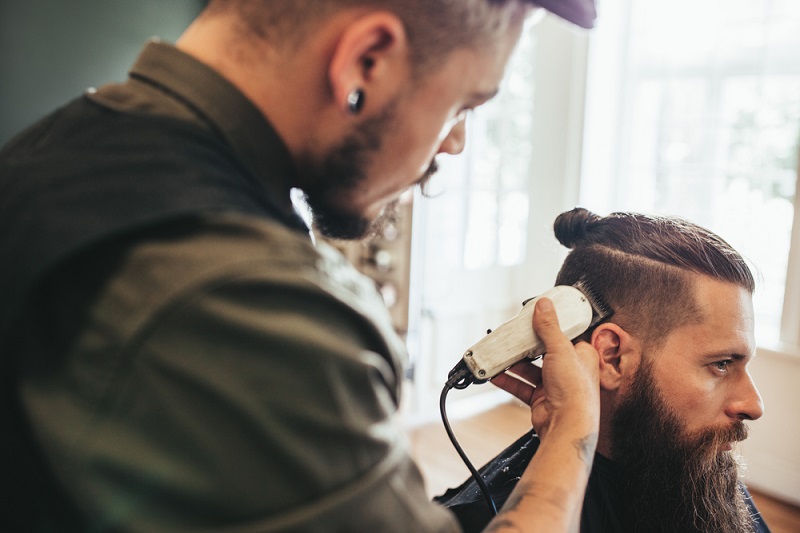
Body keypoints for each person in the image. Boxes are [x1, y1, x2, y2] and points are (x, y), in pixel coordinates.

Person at [0, 1, 602, 531]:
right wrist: (571, 432)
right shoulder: (246, 301)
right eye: (463, 104)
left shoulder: (55, 147)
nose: (455, 143)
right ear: (366, 62)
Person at [436, 207, 771, 533]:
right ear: (612, 357)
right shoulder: (483, 519)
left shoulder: (696, 473)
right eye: (722, 364)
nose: (754, 405)